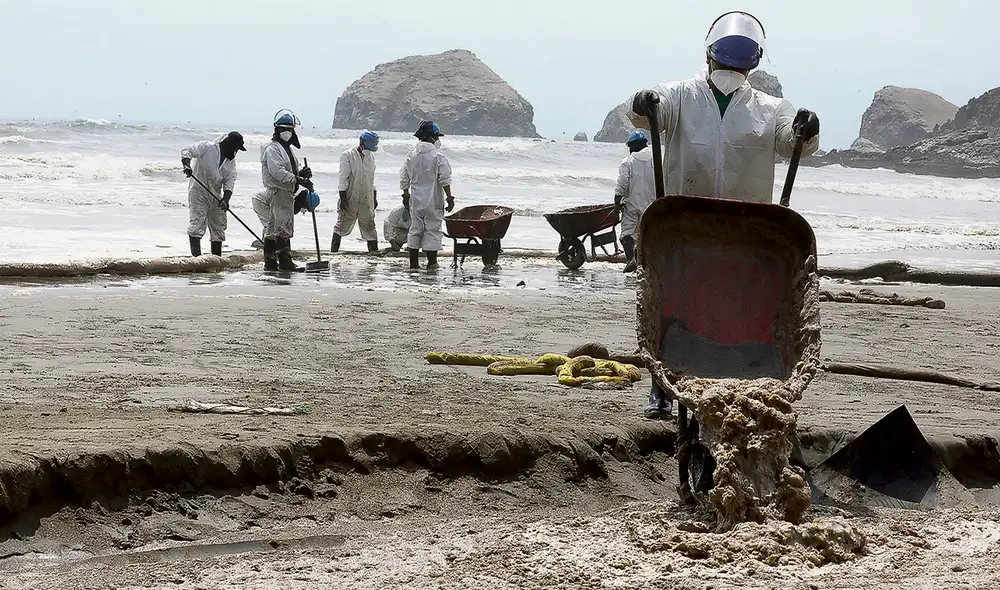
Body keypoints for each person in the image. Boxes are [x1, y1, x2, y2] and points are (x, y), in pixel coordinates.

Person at [626, 10, 821, 420]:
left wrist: (806, 127)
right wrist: (644, 102)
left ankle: (747, 373)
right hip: (686, 222)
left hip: (744, 228)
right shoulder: (680, 94)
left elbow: (793, 142)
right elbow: (646, 113)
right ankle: (661, 386)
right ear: (710, 53)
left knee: (739, 303)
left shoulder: (768, 108)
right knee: (670, 304)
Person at [259, 109, 313, 271]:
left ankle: (270, 262)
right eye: (284, 129)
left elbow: (289, 170)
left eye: (289, 130)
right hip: (279, 191)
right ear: (277, 130)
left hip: (285, 191)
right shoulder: (273, 149)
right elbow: (278, 173)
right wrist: (299, 179)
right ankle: (284, 262)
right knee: (283, 227)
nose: (287, 133)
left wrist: (301, 173)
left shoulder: (287, 148)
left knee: (272, 228)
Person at [399, 121, 454, 270]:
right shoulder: (438, 156)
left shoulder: (411, 155)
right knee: (433, 229)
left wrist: (405, 194)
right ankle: (431, 263)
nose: (438, 140)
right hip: (433, 200)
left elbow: (404, 177)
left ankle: (414, 264)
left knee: (415, 229)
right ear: (431, 137)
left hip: (416, 200)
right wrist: (449, 198)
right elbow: (444, 180)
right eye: (436, 136)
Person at [180, 131, 245, 257]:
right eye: (235, 148)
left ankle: (216, 258)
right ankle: (197, 259)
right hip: (198, 192)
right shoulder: (207, 147)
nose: (235, 152)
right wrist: (186, 166)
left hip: (216, 194)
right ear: (227, 144)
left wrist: (226, 199)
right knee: (197, 224)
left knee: (219, 226)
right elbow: (187, 151)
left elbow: (230, 179)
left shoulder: (230, 161)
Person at [331, 130, 380, 253]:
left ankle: (373, 256)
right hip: (350, 197)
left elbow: (371, 180)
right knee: (341, 225)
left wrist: (374, 197)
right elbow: (343, 178)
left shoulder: (371, 157)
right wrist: (343, 198)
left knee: (370, 228)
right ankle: (333, 253)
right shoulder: (347, 155)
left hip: (366, 198)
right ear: (362, 143)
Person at [614, 130, 656, 274]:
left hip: (632, 204)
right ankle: (645, 266)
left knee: (626, 234)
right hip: (651, 206)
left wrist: (617, 201)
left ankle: (631, 260)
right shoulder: (656, 160)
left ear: (632, 146)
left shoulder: (628, 162)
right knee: (646, 236)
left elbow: (623, 184)